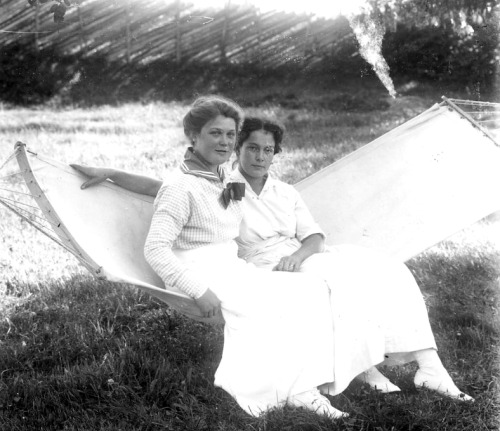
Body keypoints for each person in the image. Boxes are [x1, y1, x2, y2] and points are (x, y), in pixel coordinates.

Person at [71, 102, 473, 410]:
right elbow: (167, 189)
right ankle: (352, 370)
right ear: (236, 149)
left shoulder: (264, 188)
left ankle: (427, 366)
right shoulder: (222, 182)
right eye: (249, 147)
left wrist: (300, 254)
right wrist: (110, 173)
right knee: (328, 287)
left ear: (275, 154)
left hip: (292, 257)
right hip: (251, 266)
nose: (257, 156)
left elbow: (312, 234)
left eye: (267, 151)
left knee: (386, 270)